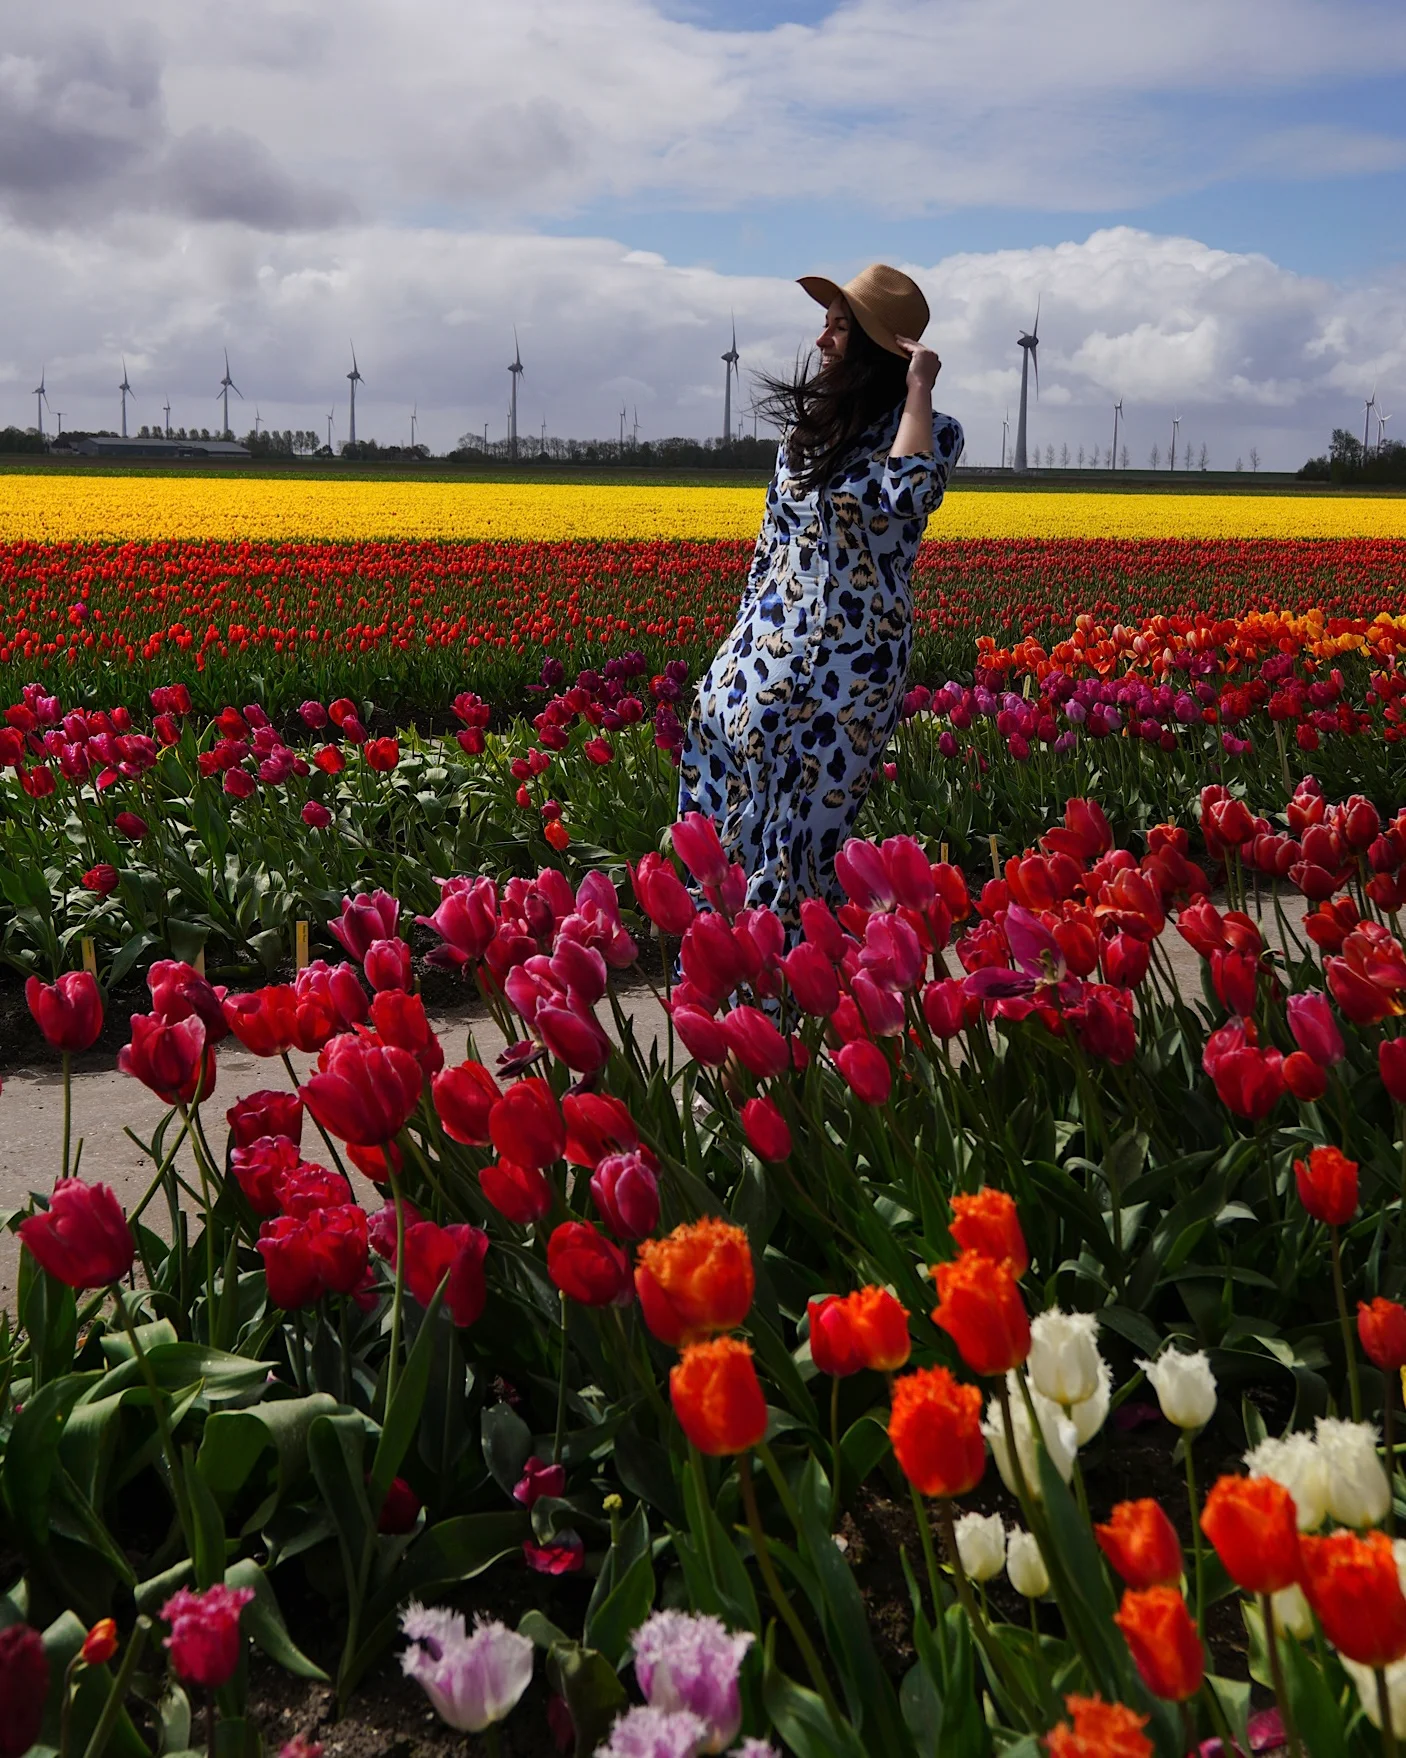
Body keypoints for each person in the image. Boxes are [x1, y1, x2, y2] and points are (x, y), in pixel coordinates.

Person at [678, 263, 964, 932]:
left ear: (881, 347)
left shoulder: (932, 429)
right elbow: (769, 547)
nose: (821, 342)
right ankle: (724, 987)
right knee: (717, 833)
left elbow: (908, 495)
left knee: (795, 845)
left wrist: (917, 387)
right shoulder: (804, 436)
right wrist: (730, 653)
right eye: (827, 325)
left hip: (845, 676)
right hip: (756, 663)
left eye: (840, 327)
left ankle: (778, 1006)